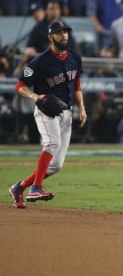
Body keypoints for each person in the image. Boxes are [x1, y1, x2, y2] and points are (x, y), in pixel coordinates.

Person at [8, 19, 87, 209]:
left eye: (66, 32)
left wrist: (82, 107)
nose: (64, 35)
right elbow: (20, 85)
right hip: (46, 111)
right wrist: (36, 97)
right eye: (59, 32)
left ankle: (19, 187)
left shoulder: (74, 57)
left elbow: (76, 83)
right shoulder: (40, 61)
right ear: (51, 37)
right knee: (52, 144)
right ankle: (36, 187)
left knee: (57, 165)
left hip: (66, 113)